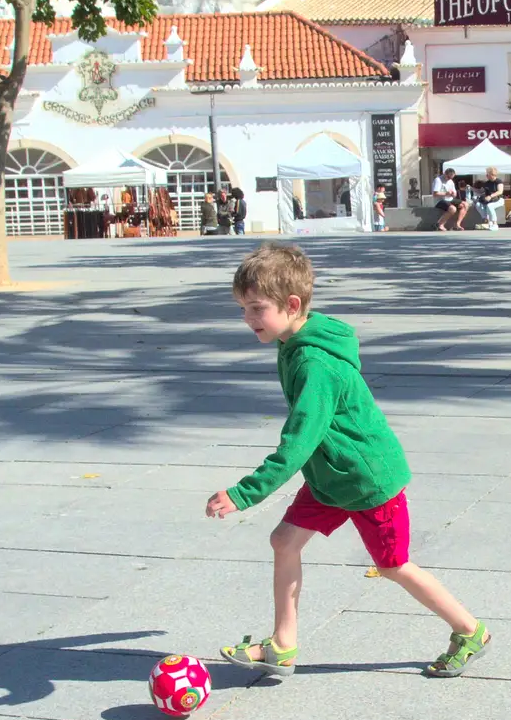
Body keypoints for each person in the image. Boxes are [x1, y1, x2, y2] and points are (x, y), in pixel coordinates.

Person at [210, 244, 490, 677]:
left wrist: (244, 494)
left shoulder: (313, 363)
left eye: (255, 308)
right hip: (331, 476)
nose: (247, 319)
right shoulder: (297, 335)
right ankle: (283, 647)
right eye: (243, 308)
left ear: (292, 304)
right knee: (284, 541)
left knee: (393, 565)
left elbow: (298, 440)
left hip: (365, 479)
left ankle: (470, 630)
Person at [477, 166, 505, 230]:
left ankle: (495, 223)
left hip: (499, 199)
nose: (486, 175)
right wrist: (471, 188)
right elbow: (480, 191)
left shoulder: (498, 181)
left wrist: (490, 196)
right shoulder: (487, 183)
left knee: (490, 206)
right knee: (478, 204)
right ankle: (487, 220)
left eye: (487, 174)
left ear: (492, 174)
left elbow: (500, 191)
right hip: (490, 200)